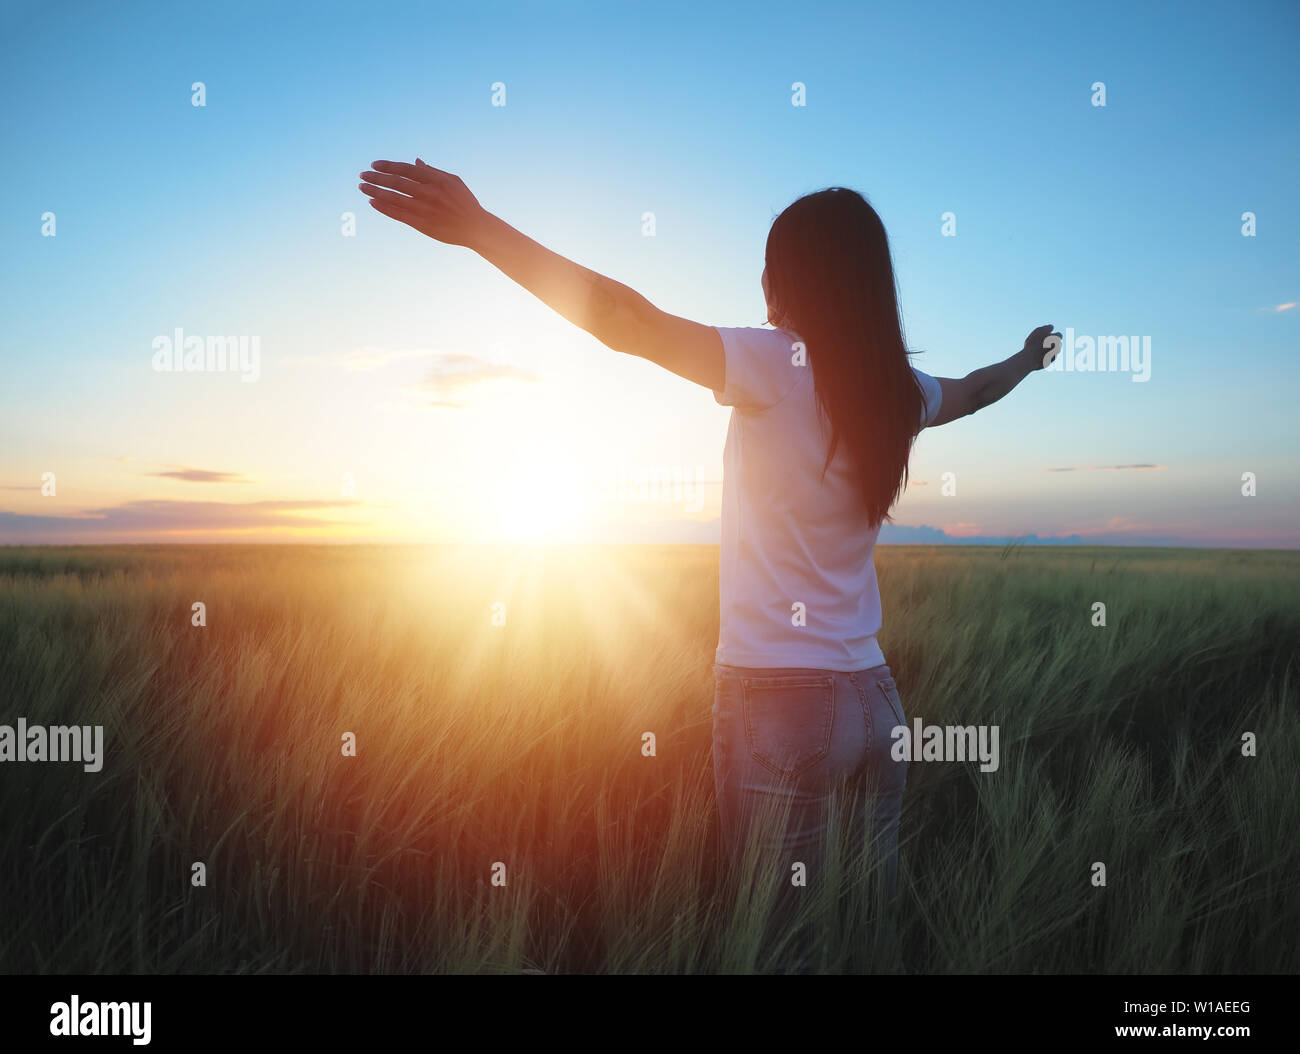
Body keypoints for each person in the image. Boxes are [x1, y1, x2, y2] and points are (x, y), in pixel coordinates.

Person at [358, 162, 1059, 969]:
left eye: (769, 270)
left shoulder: (772, 363)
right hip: (876, 701)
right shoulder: (896, 391)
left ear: (788, 283)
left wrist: (480, 229)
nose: (762, 287)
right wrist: (1028, 356)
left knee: (778, 950)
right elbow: (973, 389)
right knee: (873, 937)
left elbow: (624, 319)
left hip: (779, 701)